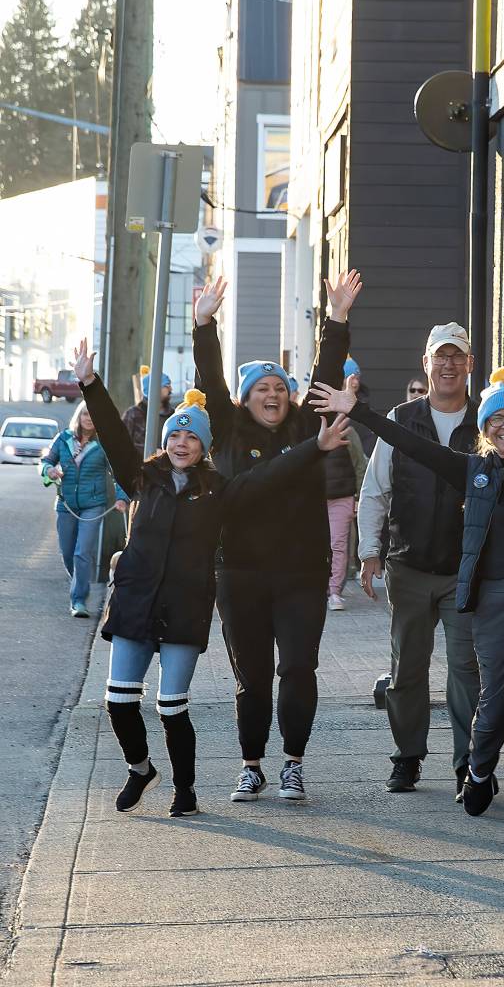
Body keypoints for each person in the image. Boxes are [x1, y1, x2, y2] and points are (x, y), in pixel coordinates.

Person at [313, 275, 504, 836]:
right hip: (495, 604)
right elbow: (411, 445)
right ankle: (479, 770)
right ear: (484, 431)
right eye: (496, 421)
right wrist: (360, 411)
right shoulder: (474, 470)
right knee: (492, 704)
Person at [72, 338, 351, 818]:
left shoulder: (218, 489)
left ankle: (192, 789)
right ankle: (143, 769)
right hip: (146, 601)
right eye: (175, 436)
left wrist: (315, 446)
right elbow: (115, 435)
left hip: (194, 603)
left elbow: (266, 477)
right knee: (121, 701)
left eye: (192, 437)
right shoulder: (143, 478)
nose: (181, 443)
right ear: (165, 441)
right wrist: (90, 384)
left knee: (174, 704)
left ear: (205, 447)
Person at [192, 271, 362, 803]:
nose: (273, 394)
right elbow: (211, 380)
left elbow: (326, 372)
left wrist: (336, 319)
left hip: (301, 574)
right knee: (253, 676)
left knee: (298, 668)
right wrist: (204, 325)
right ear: (246, 399)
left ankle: (292, 763)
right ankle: (251, 766)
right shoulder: (226, 430)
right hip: (239, 572)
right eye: (262, 389)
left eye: (280, 388)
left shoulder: (306, 428)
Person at [356, 321, 480, 797]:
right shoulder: (401, 418)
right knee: (407, 669)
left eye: (457, 356)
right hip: (407, 566)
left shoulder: (485, 419)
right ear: (425, 363)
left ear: (470, 364)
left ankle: (469, 764)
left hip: (465, 571)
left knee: (466, 671)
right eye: (440, 356)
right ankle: (407, 757)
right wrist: (369, 552)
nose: (448, 365)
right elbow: (375, 490)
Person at [40, 401, 129, 618]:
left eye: (93, 415)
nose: (89, 419)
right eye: (86, 414)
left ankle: (79, 600)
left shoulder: (104, 443)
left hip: (94, 505)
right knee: (68, 553)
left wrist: (122, 498)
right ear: (79, 416)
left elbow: (118, 473)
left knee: (82, 552)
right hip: (66, 505)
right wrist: (49, 470)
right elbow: (45, 461)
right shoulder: (63, 439)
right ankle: (79, 582)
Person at [325, 376, 369, 611]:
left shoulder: (348, 432)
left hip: (342, 495)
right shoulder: (306, 428)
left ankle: (334, 590)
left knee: (338, 544)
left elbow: (360, 465)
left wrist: (359, 497)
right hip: (313, 497)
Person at [121, 365, 174, 458]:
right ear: (154, 389)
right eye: (166, 385)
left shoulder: (173, 415)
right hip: (138, 466)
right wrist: (151, 452)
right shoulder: (133, 414)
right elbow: (121, 443)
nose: (170, 389)